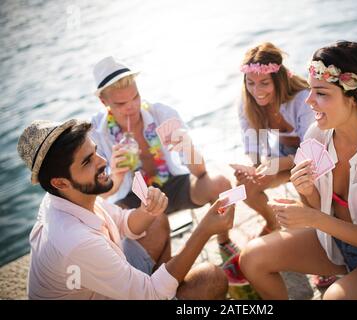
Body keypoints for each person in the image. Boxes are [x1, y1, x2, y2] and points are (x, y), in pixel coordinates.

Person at [239, 41, 357, 299]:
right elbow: (319, 209)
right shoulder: (317, 135)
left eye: (321, 93)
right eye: (311, 90)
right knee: (252, 257)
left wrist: (314, 220)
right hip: (334, 245)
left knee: (335, 298)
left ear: (354, 98)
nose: (309, 100)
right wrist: (306, 192)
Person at [17, 119, 234, 299]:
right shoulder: (74, 240)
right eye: (87, 162)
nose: (103, 162)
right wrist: (204, 230)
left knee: (155, 220)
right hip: (108, 288)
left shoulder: (61, 197)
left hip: (100, 284)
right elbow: (150, 293)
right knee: (211, 278)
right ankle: (165, 284)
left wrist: (148, 211)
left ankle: (163, 281)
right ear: (60, 182)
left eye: (95, 152)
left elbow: (122, 222)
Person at [89, 56, 238, 262]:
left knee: (222, 185)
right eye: (121, 103)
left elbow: (200, 172)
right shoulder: (96, 133)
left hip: (173, 184)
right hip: (132, 198)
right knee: (113, 223)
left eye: (135, 97)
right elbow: (102, 195)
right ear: (103, 102)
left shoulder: (162, 114)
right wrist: (115, 174)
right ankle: (156, 275)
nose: (132, 107)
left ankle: (224, 242)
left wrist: (187, 148)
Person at [234, 42, 315, 237]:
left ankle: (315, 228)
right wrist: (253, 169)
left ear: (278, 80)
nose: (257, 90)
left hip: (314, 158)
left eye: (264, 83)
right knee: (244, 188)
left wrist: (277, 164)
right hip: (281, 155)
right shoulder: (247, 104)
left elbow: (312, 152)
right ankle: (273, 222)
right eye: (250, 82)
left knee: (303, 182)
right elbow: (251, 143)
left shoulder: (302, 98)